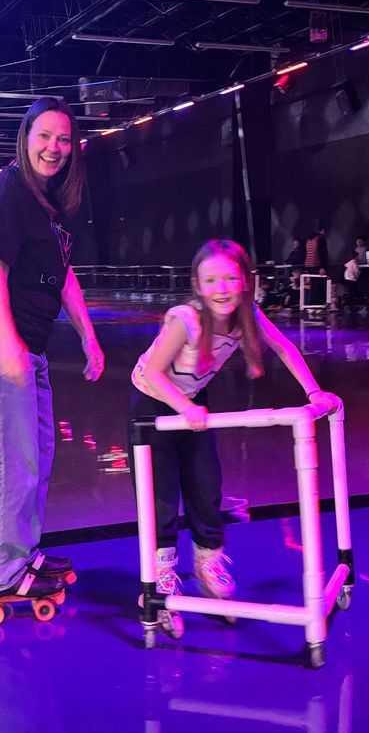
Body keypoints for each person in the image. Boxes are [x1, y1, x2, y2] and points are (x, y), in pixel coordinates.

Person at [128, 238, 333, 639]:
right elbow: (153, 373)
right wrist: (185, 409)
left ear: (244, 282)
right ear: (198, 285)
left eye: (229, 278)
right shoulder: (186, 320)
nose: (221, 288)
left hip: (190, 400)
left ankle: (208, 562)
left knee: (206, 483)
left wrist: (314, 393)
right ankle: (160, 576)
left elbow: (285, 348)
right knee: (162, 493)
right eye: (211, 280)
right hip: (151, 403)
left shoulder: (246, 315)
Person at [0, 96, 105, 609]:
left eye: (63, 139)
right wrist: (10, 344)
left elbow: (64, 277)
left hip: (28, 345)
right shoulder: (6, 191)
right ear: (26, 137)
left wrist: (88, 335)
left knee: (36, 457)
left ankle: (23, 550)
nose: (54, 147)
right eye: (45, 136)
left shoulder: (50, 203)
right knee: (11, 461)